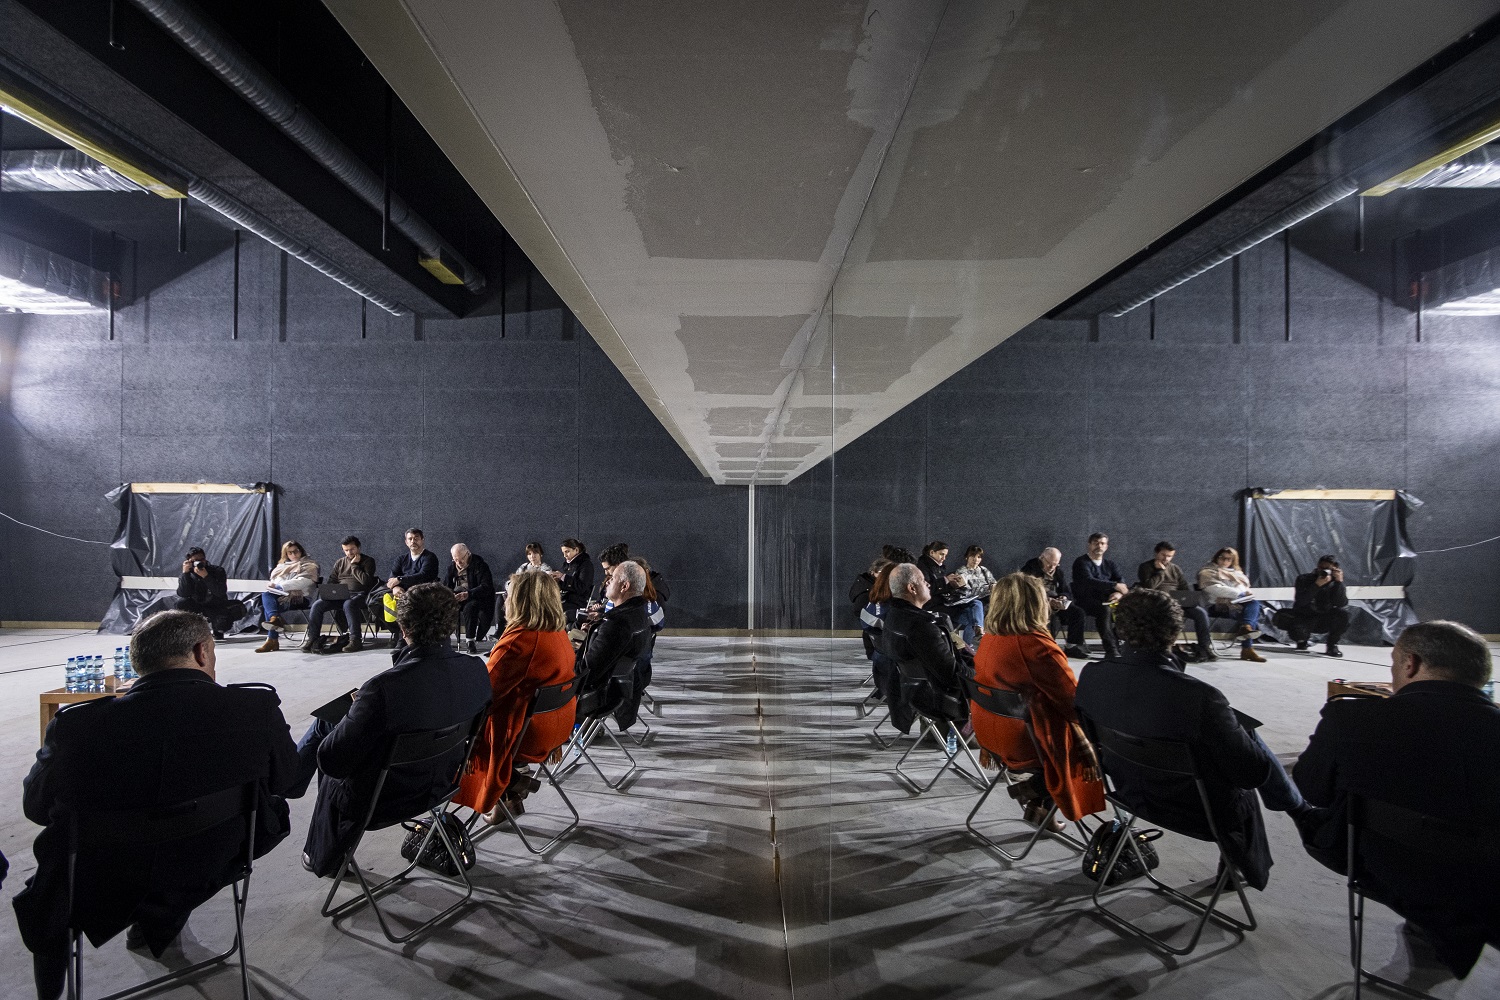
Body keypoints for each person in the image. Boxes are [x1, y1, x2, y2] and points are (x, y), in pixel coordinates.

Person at [14, 610, 298, 1000]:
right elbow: (287, 782)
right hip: (214, 856)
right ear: (201, 652)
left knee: (50, 885)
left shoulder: (78, 726)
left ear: (138, 662)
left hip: (98, 878)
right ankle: (165, 914)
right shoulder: (256, 708)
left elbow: (36, 807)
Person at [1294, 620, 1500, 980]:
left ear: (1410, 663)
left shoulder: (1351, 717)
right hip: (1489, 887)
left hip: (1386, 868)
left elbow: (1313, 792)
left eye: (1393, 662)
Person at [1074, 589, 1315, 891]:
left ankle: (1296, 811)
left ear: (1119, 628)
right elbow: (1253, 774)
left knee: (1231, 735)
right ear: (1175, 631)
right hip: (1199, 813)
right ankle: (1267, 839)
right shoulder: (1200, 696)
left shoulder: (1092, 676)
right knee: (1244, 744)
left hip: (1129, 794)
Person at [294, 583, 491, 877]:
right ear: (452, 623)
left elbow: (332, 762)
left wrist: (359, 711)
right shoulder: (476, 670)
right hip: (442, 784)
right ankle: (292, 781)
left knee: (328, 728)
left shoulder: (382, 688)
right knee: (334, 724)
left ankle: (323, 852)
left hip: (381, 800)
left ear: (403, 626)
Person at [971, 573, 1104, 829]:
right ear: (1035, 604)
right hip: (1025, 742)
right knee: (1101, 744)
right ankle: (1037, 788)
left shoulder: (989, 639)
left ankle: (1040, 808)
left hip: (990, 733)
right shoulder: (1036, 645)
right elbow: (1073, 702)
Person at [455, 571, 575, 824]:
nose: (505, 601)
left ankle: (509, 783)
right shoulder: (558, 633)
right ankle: (511, 790)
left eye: (509, 596)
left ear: (521, 601)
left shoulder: (520, 640)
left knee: (449, 732)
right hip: (556, 726)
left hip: (526, 735)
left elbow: (485, 692)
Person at [883, 563, 968, 723]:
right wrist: (980, 673)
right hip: (939, 700)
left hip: (911, 691)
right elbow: (953, 676)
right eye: (922, 580)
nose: (928, 584)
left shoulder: (894, 616)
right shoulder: (921, 627)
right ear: (912, 588)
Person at [575, 560, 652, 710]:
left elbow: (584, 673)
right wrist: (594, 632)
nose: (608, 581)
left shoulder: (617, 624)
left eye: (613, 578)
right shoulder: (639, 614)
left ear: (624, 587)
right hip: (617, 690)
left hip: (594, 696)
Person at [1138, 541, 1224, 663]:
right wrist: (1160, 571)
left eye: (1169, 556)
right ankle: (1165, 648)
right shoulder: (1145, 567)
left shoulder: (1175, 568)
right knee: (1167, 614)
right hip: (1157, 603)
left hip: (1177, 602)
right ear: (1156, 553)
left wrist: (1187, 598)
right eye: (1163, 555)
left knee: (1201, 614)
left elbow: (1184, 587)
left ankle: (1204, 647)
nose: (1166, 558)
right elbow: (1149, 586)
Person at [303, 536, 378, 654]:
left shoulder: (368, 561)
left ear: (358, 548)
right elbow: (332, 581)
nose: (349, 553)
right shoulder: (340, 562)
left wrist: (354, 565)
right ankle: (312, 638)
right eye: (346, 550)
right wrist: (331, 592)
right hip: (340, 595)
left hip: (360, 595)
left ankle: (355, 640)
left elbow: (365, 582)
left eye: (352, 549)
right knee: (317, 605)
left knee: (349, 604)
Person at [1197, 546, 1266, 662]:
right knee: (1253, 610)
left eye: (1229, 559)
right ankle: (1247, 648)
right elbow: (1215, 589)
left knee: (1252, 607)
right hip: (1216, 605)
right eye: (1222, 558)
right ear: (1216, 557)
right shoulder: (1207, 572)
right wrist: (1240, 593)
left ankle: (1246, 629)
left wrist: (1241, 590)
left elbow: (1245, 588)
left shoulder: (1236, 574)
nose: (1225, 561)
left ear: (1233, 561)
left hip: (1235, 604)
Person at [1020, 546, 1090, 660]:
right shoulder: (1030, 570)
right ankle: (1047, 646)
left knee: (1078, 613)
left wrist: (1063, 597)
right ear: (1042, 558)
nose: (1052, 567)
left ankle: (1071, 646)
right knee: (1048, 615)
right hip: (1036, 604)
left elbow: (1066, 590)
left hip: (1056, 603)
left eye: (1055, 564)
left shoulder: (1058, 572)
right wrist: (1047, 600)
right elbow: (1026, 592)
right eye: (1049, 564)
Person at [375, 528, 439, 649]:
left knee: (409, 604)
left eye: (416, 538)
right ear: (406, 542)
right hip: (401, 592)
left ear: (422, 540)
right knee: (376, 603)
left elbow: (423, 575)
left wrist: (400, 580)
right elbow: (392, 577)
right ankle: (398, 633)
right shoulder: (401, 559)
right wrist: (395, 587)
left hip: (422, 592)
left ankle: (403, 638)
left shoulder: (430, 557)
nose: (413, 541)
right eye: (410, 539)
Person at [1275, 555, 1350, 657]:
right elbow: (1301, 601)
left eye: (1327, 569)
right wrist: (1316, 585)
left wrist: (1338, 583)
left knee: (1343, 615)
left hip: (1324, 617)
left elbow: (1341, 603)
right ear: (1317, 566)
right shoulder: (1304, 579)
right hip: (1305, 616)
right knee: (1294, 627)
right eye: (1321, 568)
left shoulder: (1334, 583)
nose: (1323, 571)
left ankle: (1332, 645)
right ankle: (1302, 641)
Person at [255, 540, 319, 654]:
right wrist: (275, 585)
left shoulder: (310, 565)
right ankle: (274, 620)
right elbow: (274, 581)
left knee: (268, 604)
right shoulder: (281, 567)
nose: (293, 554)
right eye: (290, 553)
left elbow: (303, 582)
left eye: (296, 551)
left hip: (300, 598)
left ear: (301, 551)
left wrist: (279, 586)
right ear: (286, 554)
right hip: (282, 597)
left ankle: (272, 639)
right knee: (267, 596)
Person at [1071, 533, 1127, 659]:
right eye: (1096, 543)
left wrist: (1119, 593)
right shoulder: (1081, 562)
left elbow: (1121, 582)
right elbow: (1089, 581)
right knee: (1105, 610)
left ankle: (1122, 643)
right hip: (1086, 601)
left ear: (1106, 546)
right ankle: (1112, 650)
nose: (1099, 546)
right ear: (1089, 545)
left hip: (1109, 600)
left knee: (1132, 609)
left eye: (1102, 543)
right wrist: (1114, 586)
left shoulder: (1110, 564)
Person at [171, 547, 239, 638]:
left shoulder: (217, 571)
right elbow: (183, 593)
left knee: (224, 621)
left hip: (215, 605)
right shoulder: (188, 574)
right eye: (195, 561)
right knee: (180, 604)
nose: (199, 563)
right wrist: (185, 574)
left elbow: (220, 592)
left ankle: (218, 630)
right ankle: (192, 631)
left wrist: (206, 577)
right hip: (197, 605)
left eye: (201, 559)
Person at [444, 543, 496, 653]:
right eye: (455, 560)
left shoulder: (480, 565)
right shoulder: (452, 567)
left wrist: (468, 594)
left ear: (468, 554)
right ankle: (443, 639)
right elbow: (446, 586)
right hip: (458, 597)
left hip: (476, 597)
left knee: (470, 607)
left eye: (461, 559)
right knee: (444, 607)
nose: (459, 563)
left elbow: (486, 586)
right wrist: (451, 595)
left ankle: (470, 641)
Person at [951, 545, 997, 651]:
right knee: (976, 604)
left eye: (978, 557)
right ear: (966, 557)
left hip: (984, 602)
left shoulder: (984, 570)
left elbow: (994, 584)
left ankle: (966, 646)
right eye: (973, 556)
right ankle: (978, 630)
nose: (976, 560)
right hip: (966, 602)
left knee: (969, 616)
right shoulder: (961, 571)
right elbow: (967, 591)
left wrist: (993, 587)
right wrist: (987, 588)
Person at [916, 541, 964, 620]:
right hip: (930, 605)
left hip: (939, 602)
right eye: (941, 554)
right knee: (965, 611)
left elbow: (940, 586)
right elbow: (927, 588)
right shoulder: (922, 566)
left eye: (945, 555)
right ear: (932, 552)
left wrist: (953, 584)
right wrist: (946, 580)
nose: (944, 558)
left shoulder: (939, 567)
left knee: (973, 605)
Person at [552, 538, 595, 624]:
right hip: (567, 599)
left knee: (553, 610)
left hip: (578, 601)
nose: (565, 555)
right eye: (563, 553)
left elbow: (582, 587)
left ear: (576, 550)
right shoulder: (568, 564)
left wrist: (563, 577)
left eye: (567, 552)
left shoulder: (586, 565)